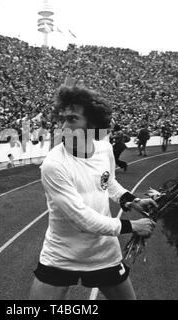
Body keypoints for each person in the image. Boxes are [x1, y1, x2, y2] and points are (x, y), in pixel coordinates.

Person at [29, 84, 157, 300]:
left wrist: (133, 201)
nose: (63, 126)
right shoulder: (54, 164)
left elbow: (108, 182)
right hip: (61, 255)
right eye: (62, 119)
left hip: (103, 254)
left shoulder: (105, 149)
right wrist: (132, 226)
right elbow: (82, 220)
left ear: (93, 123)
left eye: (72, 119)